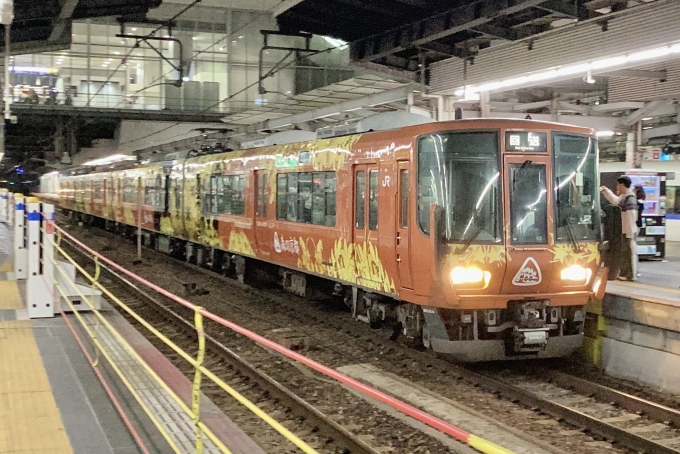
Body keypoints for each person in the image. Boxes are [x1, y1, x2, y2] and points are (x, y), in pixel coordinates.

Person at [600, 176, 638, 281]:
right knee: (624, 252)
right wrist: (605, 191)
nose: (617, 187)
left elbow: (631, 216)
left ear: (622, 185)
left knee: (628, 253)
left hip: (628, 230)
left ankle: (629, 274)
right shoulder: (624, 197)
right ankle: (625, 273)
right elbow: (615, 201)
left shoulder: (630, 198)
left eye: (618, 184)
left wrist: (630, 233)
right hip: (625, 230)